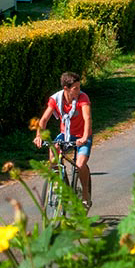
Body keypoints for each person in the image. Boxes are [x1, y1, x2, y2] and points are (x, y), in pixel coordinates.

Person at [33, 71, 92, 207]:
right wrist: (38, 136)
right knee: (53, 155)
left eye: (79, 87)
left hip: (82, 135)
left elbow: (87, 118)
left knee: (80, 164)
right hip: (66, 134)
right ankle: (59, 182)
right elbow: (44, 120)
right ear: (66, 88)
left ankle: (85, 193)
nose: (79, 91)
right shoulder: (56, 99)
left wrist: (84, 137)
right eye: (75, 88)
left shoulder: (83, 97)